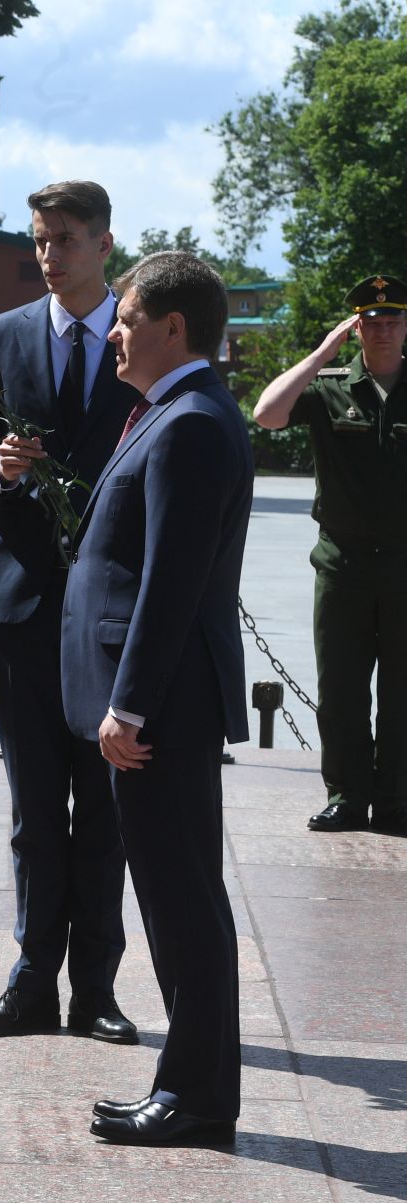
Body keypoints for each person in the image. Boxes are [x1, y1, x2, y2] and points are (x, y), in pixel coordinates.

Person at [61, 250, 252, 1145]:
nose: (116, 333)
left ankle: (198, 1097)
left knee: (181, 903)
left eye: (128, 318)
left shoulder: (191, 423)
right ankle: (194, 1087)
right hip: (159, 706)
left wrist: (128, 708)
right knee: (177, 898)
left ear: (175, 327)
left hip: (163, 712)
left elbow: (171, 583)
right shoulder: (175, 411)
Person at [0, 181, 141, 1045]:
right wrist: (0, 469)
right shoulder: (2, 336)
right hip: (24, 601)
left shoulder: (145, 343)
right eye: (38, 239)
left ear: (104, 243)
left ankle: (95, 989)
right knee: (35, 807)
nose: (48, 254)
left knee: (103, 809)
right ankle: (32, 980)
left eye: (64, 239)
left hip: (108, 611)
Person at [251, 275, 407, 834]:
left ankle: (394, 802)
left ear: (406, 325)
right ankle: (346, 796)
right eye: (371, 320)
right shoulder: (330, 387)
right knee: (340, 688)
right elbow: (266, 414)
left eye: (393, 319)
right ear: (356, 327)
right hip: (343, 565)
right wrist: (321, 354)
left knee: (401, 693)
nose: (382, 329)